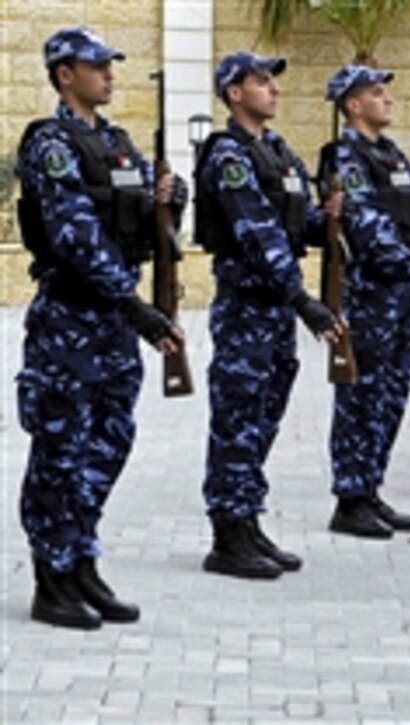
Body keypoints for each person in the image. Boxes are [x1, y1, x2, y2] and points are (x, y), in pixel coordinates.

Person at [15, 27, 187, 628]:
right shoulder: (51, 145)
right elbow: (75, 237)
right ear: (65, 74)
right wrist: (135, 305)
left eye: (109, 65)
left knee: (109, 441)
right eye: (96, 66)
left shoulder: (117, 144)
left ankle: (82, 558)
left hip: (113, 325)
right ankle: (52, 577)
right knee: (61, 451)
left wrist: (171, 198)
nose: (109, 74)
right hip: (71, 320)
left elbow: (142, 225)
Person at [196, 53, 344, 579]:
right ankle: (227, 535)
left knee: (263, 417)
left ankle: (248, 518)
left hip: (275, 311)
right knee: (237, 419)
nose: (274, 90)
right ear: (234, 93)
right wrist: (303, 300)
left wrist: (323, 219)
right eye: (261, 82)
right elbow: (256, 234)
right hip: (247, 308)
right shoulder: (229, 155)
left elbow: (292, 227)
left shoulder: (278, 153)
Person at [320, 64, 410, 535]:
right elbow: (371, 231)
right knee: (360, 398)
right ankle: (350, 498)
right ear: (352, 105)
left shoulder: (395, 157)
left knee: (390, 397)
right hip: (368, 296)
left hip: (397, 300)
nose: (388, 100)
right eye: (376, 93)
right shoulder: (345, 159)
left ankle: (370, 487)